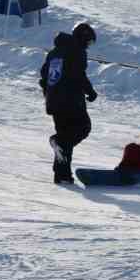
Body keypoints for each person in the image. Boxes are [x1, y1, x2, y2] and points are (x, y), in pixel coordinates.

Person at [39, 22, 98, 184]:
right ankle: (57, 141)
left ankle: (62, 176)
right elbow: (78, 75)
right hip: (71, 100)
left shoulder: (54, 53)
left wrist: (49, 94)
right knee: (82, 128)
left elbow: (44, 76)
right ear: (83, 38)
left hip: (54, 102)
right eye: (89, 42)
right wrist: (90, 92)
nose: (88, 46)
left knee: (65, 137)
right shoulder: (76, 51)